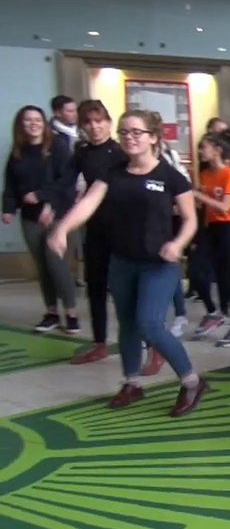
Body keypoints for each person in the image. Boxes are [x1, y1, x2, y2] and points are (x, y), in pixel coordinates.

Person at [48, 110, 208, 416]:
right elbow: (88, 204)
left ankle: (191, 381)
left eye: (136, 132)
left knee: (150, 323)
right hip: (122, 262)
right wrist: (63, 228)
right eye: (124, 132)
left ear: (153, 138)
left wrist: (177, 243)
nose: (129, 138)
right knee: (128, 323)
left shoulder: (171, 177)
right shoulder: (112, 172)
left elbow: (190, 220)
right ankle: (132, 383)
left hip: (159, 264)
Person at [4, 105, 77, 333]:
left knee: (57, 264)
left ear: (44, 123)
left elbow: (67, 182)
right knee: (43, 267)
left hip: (59, 215)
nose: (33, 124)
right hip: (30, 218)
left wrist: (46, 200)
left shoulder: (58, 146)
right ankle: (51, 312)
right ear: (21, 124)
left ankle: (72, 313)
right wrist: (8, 209)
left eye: (37, 119)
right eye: (28, 120)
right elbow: (10, 185)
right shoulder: (18, 151)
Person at [67, 100, 125, 363]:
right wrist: (49, 202)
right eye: (88, 122)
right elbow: (64, 182)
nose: (95, 127)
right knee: (96, 286)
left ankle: (145, 342)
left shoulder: (121, 152)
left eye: (99, 121)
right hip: (96, 228)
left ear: (109, 123)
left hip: (123, 228)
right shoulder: (82, 153)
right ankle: (99, 341)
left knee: (127, 287)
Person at [190, 133, 230, 347]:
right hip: (211, 229)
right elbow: (205, 205)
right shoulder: (205, 174)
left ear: (217, 149)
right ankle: (214, 312)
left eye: (204, 147)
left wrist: (198, 196)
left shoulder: (229, 174)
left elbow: (225, 206)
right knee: (196, 271)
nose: (200, 152)